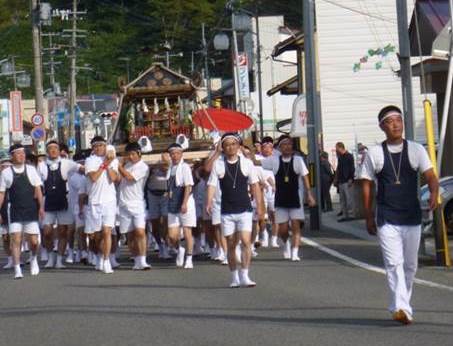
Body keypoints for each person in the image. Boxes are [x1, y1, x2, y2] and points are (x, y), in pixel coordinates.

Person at [360, 105, 439, 325]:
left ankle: (401, 304)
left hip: (411, 216)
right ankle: (402, 307)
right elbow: (366, 184)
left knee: (410, 265)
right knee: (394, 263)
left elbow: (431, 175)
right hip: (386, 217)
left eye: (399, 120)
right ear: (382, 126)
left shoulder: (415, 150)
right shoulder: (374, 153)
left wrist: (433, 192)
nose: (396, 124)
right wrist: (368, 214)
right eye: (390, 121)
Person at [206, 133, 264, 288]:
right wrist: (209, 202)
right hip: (227, 210)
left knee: (246, 241)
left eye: (233, 144)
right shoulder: (218, 164)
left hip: (244, 208)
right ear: (223, 147)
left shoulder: (247, 163)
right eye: (227, 145)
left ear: (238, 146)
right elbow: (211, 184)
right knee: (231, 244)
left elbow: (255, 185)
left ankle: (245, 274)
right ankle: (234, 276)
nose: (230, 147)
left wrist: (259, 205)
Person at [262, 135, 316, 261]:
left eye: (289, 144)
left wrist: (309, 194)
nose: (287, 146)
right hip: (280, 198)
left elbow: (305, 177)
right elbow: (257, 162)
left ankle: (295, 252)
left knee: (296, 225)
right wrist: (245, 154)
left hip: (295, 197)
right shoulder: (274, 160)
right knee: (283, 229)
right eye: (284, 144)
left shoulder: (298, 160)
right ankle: (286, 243)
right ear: (280, 147)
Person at [0, 144, 44, 279]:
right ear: (12, 156)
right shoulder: (6, 173)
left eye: (23, 153)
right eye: (18, 154)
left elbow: (38, 189)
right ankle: (17, 268)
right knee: (16, 239)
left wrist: (41, 207)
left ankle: (33, 258)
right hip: (14, 210)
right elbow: (1, 193)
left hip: (31, 209)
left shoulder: (31, 170)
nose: (22, 156)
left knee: (34, 241)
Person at [38, 140, 82, 269]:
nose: (53, 150)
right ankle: (50, 256)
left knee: (63, 232)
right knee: (47, 232)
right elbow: (36, 184)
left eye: (55, 148)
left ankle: (59, 260)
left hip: (64, 200)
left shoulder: (67, 163)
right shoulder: (41, 165)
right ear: (47, 151)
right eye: (50, 148)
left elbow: (81, 168)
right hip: (48, 202)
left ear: (58, 150)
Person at [84, 136, 119, 274]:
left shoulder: (113, 160)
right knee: (95, 235)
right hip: (94, 201)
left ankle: (106, 260)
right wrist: (104, 163)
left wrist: (109, 163)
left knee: (107, 231)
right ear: (93, 148)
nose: (99, 148)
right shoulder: (90, 160)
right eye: (96, 146)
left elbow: (114, 178)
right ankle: (99, 255)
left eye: (102, 145)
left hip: (109, 201)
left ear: (106, 147)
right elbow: (93, 177)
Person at [118, 142, 151, 270]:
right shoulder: (126, 165)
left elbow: (129, 177)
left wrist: (119, 166)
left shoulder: (143, 167)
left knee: (140, 232)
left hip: (137, 203)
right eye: (128, 154)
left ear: (139, 154)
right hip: (123, 203)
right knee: (129, 234)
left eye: (133, 154)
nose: (131, 157)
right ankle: (136, 259)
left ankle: (143, 260)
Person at [166, 143, 196, 269]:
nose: (175, 156)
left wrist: (184, 203)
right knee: (172, 235)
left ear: (181, 154)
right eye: (172, 153)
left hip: (185, 202)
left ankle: (189, 258)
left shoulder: (184, 167)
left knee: (188, 232)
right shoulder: (170, 168)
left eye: (177, 153)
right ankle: (180, 249)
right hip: (173, 203)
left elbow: (188, 186)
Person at [145, 154, 171, 259]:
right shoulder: (151, 166)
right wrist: (155, 167)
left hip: (165, 195)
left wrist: (166, 166)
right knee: (155, 223)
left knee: (165, 220)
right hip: (152, 195)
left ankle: (166, 243)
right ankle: (160, 245)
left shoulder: (171, 166)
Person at [334, 142, 355, 222]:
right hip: (341, 180)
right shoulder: (340, 157)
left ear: (340, 147)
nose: (336, 150)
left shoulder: (349, 156)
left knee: (349, 198)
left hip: (347, 180)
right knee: (342, 199)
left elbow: (352, 168)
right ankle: (345, 215)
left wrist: (351, 178)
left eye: (336, 148)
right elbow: (338, 169)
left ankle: (351, 214)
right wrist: (336, 179)